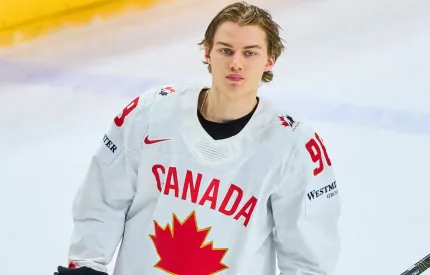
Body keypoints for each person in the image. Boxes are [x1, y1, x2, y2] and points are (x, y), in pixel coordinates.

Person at [54, 1, 342, 275]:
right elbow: (102, 199)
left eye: (250, 52)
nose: (236, 63)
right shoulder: (151, 112)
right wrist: (86, 264)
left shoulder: (294, 145)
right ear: (207, 52)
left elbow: (308, 257)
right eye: (226, 50)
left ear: (270, 60)